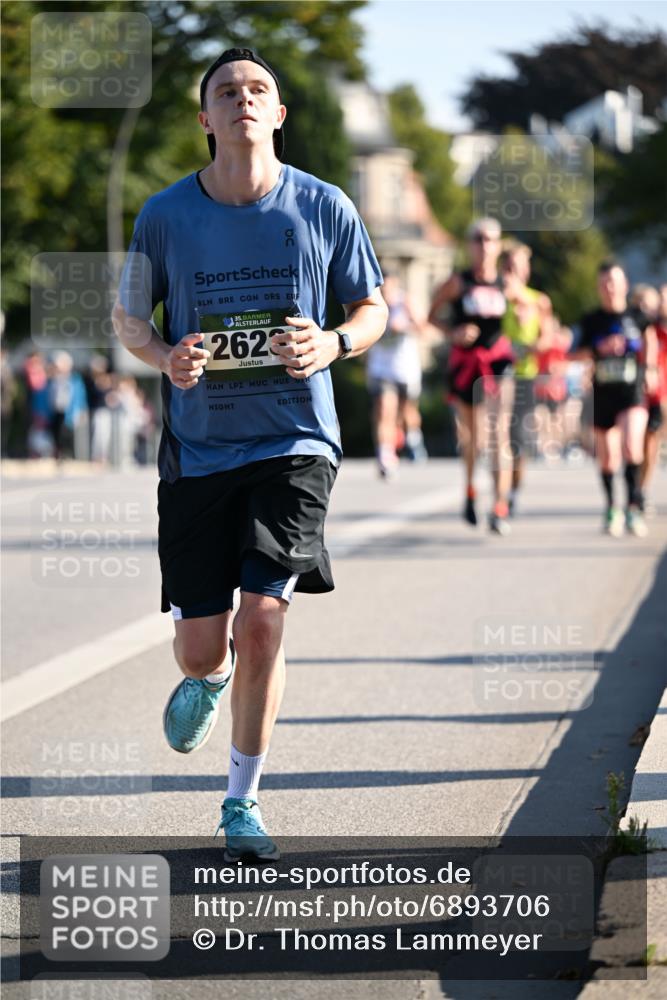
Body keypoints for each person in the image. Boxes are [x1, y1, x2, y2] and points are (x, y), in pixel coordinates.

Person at [112, 48, 386, 861]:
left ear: (278, 114)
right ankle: (210, 673)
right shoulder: (164, 215)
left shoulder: (323, 204)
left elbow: (371, 306)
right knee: (202, 647)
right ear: (206, 118)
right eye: (226, 91)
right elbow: (129, 318)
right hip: (199, 451)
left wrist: (332, 343)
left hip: (294, 441)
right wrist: (164, 356)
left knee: (263, 618)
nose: (243, 99)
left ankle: (241, 800)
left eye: (258, 89)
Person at [429, 218, 514, 535]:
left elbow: (535, 309)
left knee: (499, 435)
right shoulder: (458, 282)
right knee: (473, 440)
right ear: (470, 245)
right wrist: (454, 332)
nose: (484, 245)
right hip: (466, 366)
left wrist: (530, 326)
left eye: (490, 239)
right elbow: (431, 316)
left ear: (498, 245)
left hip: (499, 363)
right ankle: (470, 490)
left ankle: (500, 506)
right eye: (478, 239)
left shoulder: (507, 283)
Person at [571, 261, 657, 537]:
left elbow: (650, 337)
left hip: (631, 392)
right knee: (608, 458)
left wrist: (650, 368)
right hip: (603, 393)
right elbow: (575, 354)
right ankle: (612, 507)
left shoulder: (636, 316)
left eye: (614, 282)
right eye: (604, 283)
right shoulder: (591, 320)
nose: (609, 288)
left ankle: (633, 507)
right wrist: (599, 348)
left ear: (624, 285)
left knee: (632, 446)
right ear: (599, 288)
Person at [500, 241, 552, 515]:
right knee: (497, 437)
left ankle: (513, 491)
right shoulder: (495, 298)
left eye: (520, 266)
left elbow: (547, 339)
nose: (515, 272)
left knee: (518, 440)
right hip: (497, 377)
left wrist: (528, 348)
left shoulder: (538, 301)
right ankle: (499, 493)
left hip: (525, 376)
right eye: (510, 267)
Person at [366, 273, 428, 478]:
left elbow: (423, 328)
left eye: (390, 288)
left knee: (408, 411)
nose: (387, 292)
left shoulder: (405, 302)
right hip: (381, 368)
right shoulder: (371, 302)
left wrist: (404, 326)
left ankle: (413, 437)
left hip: (405, 368)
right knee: (385, 409)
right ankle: (385, 456)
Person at [635, 284, 666, 513]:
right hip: (634, 394)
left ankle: (641, 490)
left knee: (650, 444)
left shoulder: (660, 331)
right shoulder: (634, 329)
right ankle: (636, 488)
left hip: (658, 395)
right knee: (637, 446)